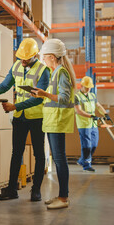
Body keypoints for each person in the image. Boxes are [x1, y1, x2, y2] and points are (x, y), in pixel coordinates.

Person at [0, 38, 51, 202]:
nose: (23, 60)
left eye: (27, 58)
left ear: (35, 55)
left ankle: (36, 190)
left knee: (39, 154)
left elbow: (39, 98)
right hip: (20, 117)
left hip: (37, 117)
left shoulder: (43, 70)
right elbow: (5, 85)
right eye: (22, 57)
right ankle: (12, 189)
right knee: (16, 152)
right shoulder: (17, 66)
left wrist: (15, 107)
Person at [30, 39, 76, 210]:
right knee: (58, 159)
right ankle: (61, 195)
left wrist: (44, 94)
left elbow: (63, 99)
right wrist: (42, 94)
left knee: (59, 160)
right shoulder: (55, 72)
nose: (42, 60)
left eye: (44, 57)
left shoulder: (61, 73)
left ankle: (64, 198)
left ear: (51, 57)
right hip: (52, 122)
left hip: (57, 122)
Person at [74, 76, 111, 172]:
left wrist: (105, 114)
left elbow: (98, 106)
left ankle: (82, 160)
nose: (88, 88)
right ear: (81, 85)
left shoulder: (92, 96)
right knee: (87, 145)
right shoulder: (77, 97)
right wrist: (91, 116)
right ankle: (87, 165)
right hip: (84, 125)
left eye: (89, 87)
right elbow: (78, 111)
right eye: (86, 87)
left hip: (93, 125)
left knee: (94, 144)